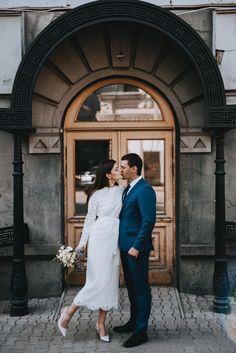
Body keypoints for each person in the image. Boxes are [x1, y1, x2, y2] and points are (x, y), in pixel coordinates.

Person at [58, 159, 123, 342]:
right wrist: (81, 246)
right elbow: (89, 221)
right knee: (97, 281)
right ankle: (68, 313)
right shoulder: (96, 195)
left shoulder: (122, 191)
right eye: (117, 169)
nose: (120, 171)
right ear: (108, 174)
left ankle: (101, 323)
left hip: (115, 237)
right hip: (99, 237)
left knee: (110, 281)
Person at [113, 153, 156, 348]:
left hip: (135, 249)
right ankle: (133, 322)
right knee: (131, 288)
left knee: (141, 289)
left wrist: (137, 246)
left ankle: (141, 331)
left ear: (134, 169)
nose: (120, 170)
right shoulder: (128, 189)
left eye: (123, 167)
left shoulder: (145, 190)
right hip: (125, 247)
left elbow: (148, 221)